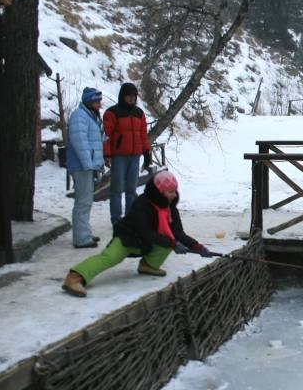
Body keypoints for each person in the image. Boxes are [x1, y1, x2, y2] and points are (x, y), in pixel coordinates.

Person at [62, 171, 212, 297]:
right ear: (160, 192)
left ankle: (148, 265)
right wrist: (172, 243)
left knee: (169, 241)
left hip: (146, 242)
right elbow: (146, 232)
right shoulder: (142, 204)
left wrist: (198, 247)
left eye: (175, 191)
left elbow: (178, 233)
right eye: (170, 192)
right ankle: (75, 277)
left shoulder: (169, 208)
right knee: (109, 258)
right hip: (128, 238)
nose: (174, 195)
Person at [103, 82, 153, 225]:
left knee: (131, 188)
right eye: (129, 96)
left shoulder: (139, 113)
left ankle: (131, 218)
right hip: (119, 156)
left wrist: (147, 151)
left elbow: (143, 134)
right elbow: (106, 135)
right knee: (117, 189)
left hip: (135, 155)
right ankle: (116, 219)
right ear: (122, 96)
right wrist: (107, 154)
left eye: (134, 96)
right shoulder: (112, 112)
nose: (131, 99)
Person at [66, 87, 106, 248]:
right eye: (97, 102)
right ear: (89, 101)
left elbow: (96, 140)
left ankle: (85, 233)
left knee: (86, 200)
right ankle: (81, 238)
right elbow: (80, 143)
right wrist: (89, 165)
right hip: (82, 165)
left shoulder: (90, 117)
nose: (99, 105)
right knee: (83, 201)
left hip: (87, 165)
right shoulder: (79, 116)